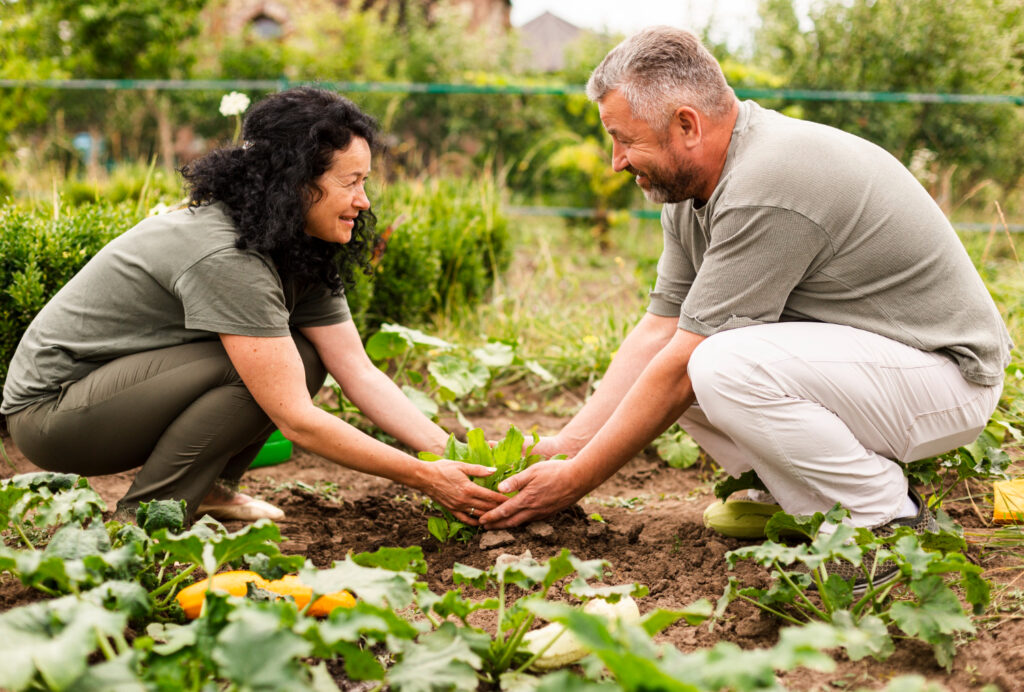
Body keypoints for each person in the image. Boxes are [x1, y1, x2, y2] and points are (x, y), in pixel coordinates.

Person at [481, 27, 1012, 581]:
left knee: (712, 362)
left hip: (947, 378)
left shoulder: (768, 180)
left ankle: (884, 520)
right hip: (874, 371)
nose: (616, 161)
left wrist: (576, 479)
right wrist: (568, 445)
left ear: (687, 124)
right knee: (678, 361)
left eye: (624, 139)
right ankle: (794, 494)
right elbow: (657, 333)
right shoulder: (690, 192)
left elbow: (682, 366)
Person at [1, 87, 506, 524]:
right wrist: (424, 476)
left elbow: (357, 370)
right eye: (350, 182)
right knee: (267, 374)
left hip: (117, 392)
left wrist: (462, 459)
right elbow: (297, 421)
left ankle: (208, 489)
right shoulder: (226, 253)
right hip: (57, 416)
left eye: (365, 181)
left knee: (306, 359)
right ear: (295, 181)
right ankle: (147, 520)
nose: (364, 200)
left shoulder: (296, 242)